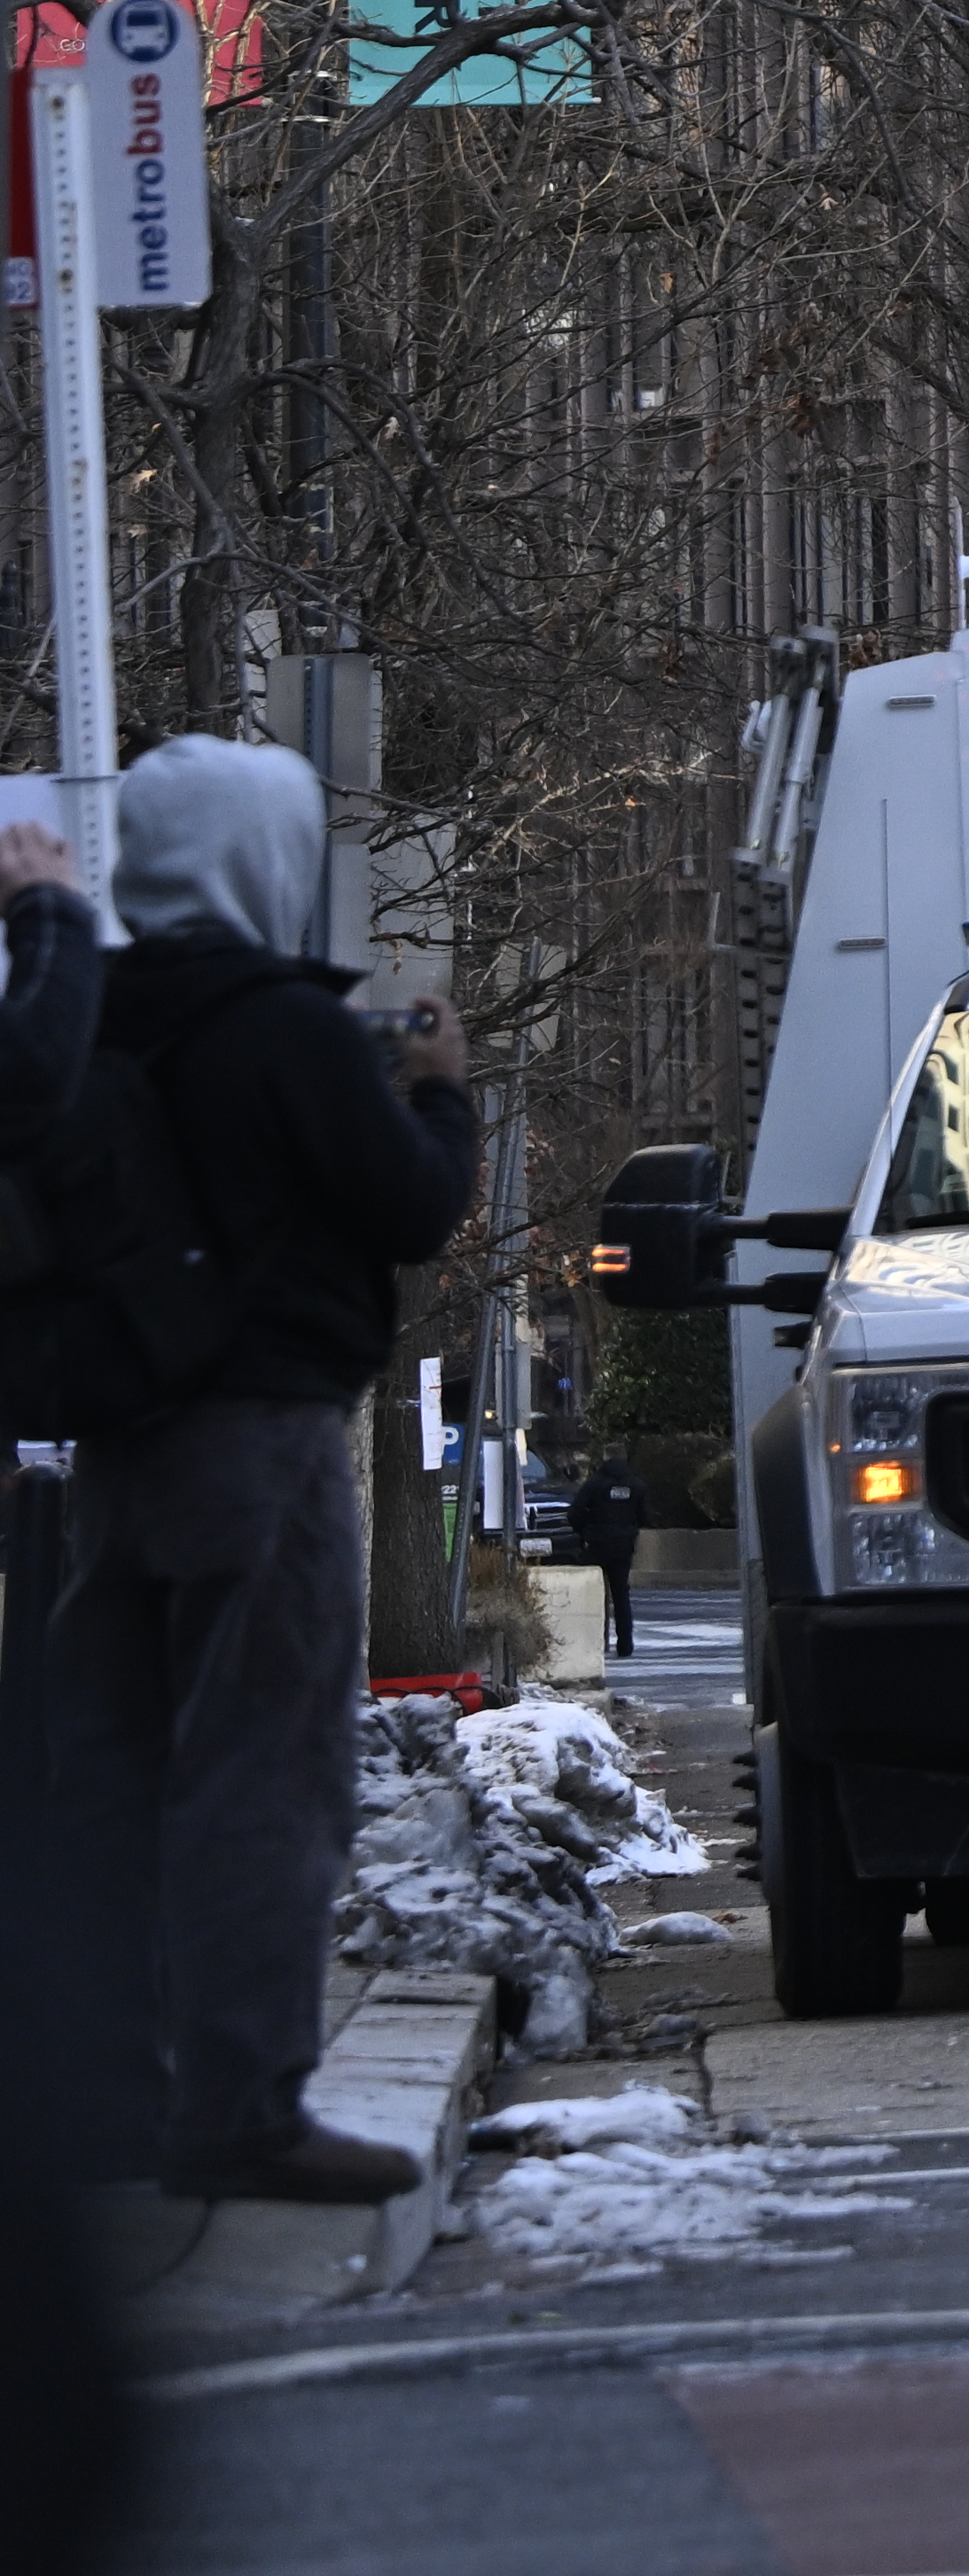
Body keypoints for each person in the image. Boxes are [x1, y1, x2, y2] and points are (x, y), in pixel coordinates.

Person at [42, 738, 476, 2202]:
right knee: (260, 1773)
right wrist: (437, 1087)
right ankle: (243, 2102)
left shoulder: (83, 1011)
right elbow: (410, 1205)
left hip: (117, 1445)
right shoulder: (281, 1025)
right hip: (267, 1434)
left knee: (112, 1770)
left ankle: (103, 2093)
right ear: (263, 859)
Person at [571, 1435, 647, 1661]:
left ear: (605, 1458)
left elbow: (575, 1513)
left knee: (591, 1594)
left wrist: (585, 1531)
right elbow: (645, 1517)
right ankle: (625, 1645)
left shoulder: (594, 1484)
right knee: (621, 1594)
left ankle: (595, 1642)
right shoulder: (636, 1485)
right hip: (624, 1545)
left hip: (597, 1543)